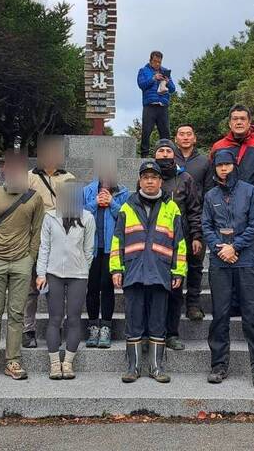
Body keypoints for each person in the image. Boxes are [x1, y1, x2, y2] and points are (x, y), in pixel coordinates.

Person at [110, 160, 187, 384]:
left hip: (161, 272)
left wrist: (178, 271)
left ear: (161, 181)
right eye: (146, 177)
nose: (150, 181)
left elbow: (179, 243)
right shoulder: (127, 206)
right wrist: (116, 268)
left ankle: (156, 367)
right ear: (140, 181)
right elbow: (117, 240)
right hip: (133, 272)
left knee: (157, 322)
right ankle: (133, 367)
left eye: (154, 177)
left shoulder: (171, 207)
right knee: (133, 322)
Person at [0, 150, 45, 381]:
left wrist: (30, 258)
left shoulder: (34, 198)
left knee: (16, 314)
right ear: (4, 169)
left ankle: (13, 361)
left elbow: (37, 231)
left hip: (21, 262)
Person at [202, 149, 254, 388]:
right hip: (220, 263)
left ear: (234, 166)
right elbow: (206, 225)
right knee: (220, 316)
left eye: (227, 165)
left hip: (246, 261)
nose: (223, 169)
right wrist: (220, 248)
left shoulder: (250, 192)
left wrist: (235, 247)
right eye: (219, 165)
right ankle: (218, 365)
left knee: (251, 316)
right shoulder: (210, 195)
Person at [210, 104, 254, 320]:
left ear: (250, 122)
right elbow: (213, 177)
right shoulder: (219, 146)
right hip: (225, 209)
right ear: (229, 123)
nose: (238, 122)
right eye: (235, 119)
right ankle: (235, 303)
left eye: (242, 118)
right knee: (227, 256)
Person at [36, 181, 95, 380]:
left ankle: (68, 362)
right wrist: (41, 273)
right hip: (53, 273)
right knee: (54, 318)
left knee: (74, 318)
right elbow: (44, 247)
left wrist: (83, 269)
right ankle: (54, 363)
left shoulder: (87, 218)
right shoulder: (50, 217)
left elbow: (89, 250)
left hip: (78, 275)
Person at [23, 136, 76, 349]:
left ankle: (57, 325)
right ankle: (28, 329)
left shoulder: (69, 178)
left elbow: (74, 211)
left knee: (58, 287)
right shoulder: (28, 178)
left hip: (60, 238)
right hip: (34, 237)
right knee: (31, 287)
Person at [153, 139, 203, 350]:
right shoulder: (149, 177)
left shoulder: (185, 178)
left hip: (179, 240)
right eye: (160, 151)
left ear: (174, 155)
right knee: (156, 290)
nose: (165, 154)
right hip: (154, 242)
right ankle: (154, 333)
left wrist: (197, 236)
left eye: (168, 151)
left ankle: (172, 334)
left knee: (175, 290)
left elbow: (194, 209)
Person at [82, 155, 130, 349]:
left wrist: (111, 203)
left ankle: (106, 328)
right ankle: (93, 326)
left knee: (107, 286)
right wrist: (95, 203)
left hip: (112, 248)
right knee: (92, 287)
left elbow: (127, 218)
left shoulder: (123, 192)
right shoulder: (87, 191)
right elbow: (78, 215)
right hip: (91, 248)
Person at [174, 124, 211, 320]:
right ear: (176, 138)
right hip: (173, 220)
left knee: (195, 264)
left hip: (197, 219)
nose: (186, 137)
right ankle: (175, 302)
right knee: (174, 263)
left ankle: (193, 304)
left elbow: (209, 191)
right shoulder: (169, 160)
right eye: (182, 134)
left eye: (189, 134)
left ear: (194, 138)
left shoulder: (204, 162)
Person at [137, 51, 176, 157]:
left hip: (163, 106)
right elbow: (141, 85)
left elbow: (172, 89)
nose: (157, 64)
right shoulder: (143, 70)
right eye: (155, 61)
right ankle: (144, 156)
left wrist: (167, 81)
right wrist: (153, 78)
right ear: (150, 60)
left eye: (159, 62)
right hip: (150, 105)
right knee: (146, 131)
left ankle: (167, 155)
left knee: (165, 133)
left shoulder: (165, 71)